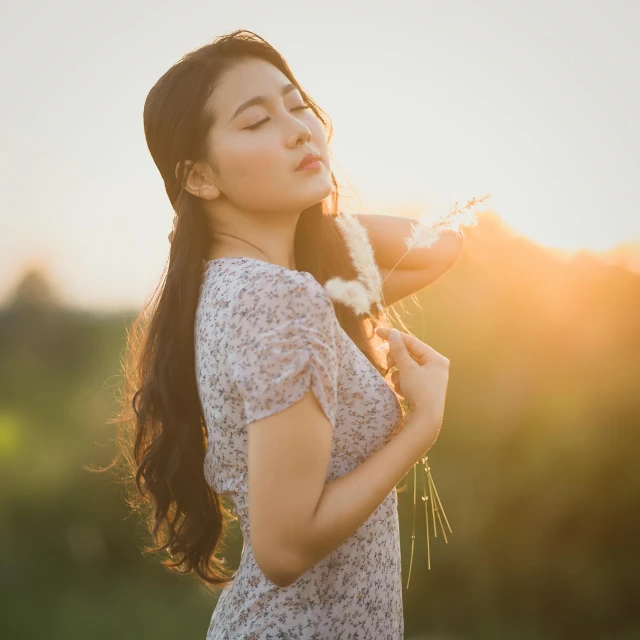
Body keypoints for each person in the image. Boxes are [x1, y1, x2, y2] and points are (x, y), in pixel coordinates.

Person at [113, 29, 450, 639]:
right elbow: (285, 548)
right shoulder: (279, 299)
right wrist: (421, 427)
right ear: (200, 178)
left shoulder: (237, 289)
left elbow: (441, 249)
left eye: (297, 106)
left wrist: (309, 227)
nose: (299, 129)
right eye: (255, 122)